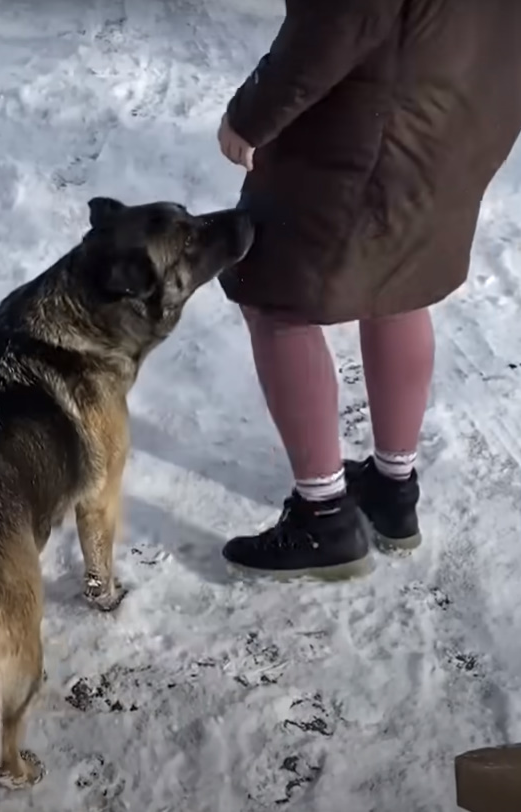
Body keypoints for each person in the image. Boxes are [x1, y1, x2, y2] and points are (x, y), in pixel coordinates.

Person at [214, 0, 521, 579]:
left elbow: (336, 21)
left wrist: (250, 114)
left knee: (276, 293)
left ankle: (322, 515)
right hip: (459, 110)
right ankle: (392, 487)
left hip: (373, 122)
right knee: (397, 279)